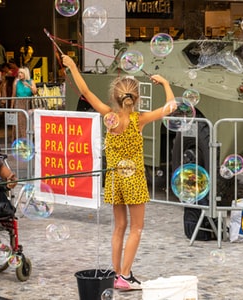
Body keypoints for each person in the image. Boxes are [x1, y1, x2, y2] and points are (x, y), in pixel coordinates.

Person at [62, 54, 175, 290]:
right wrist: (164, 83)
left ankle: (116, 275)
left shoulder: (109, 117)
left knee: (119, 227)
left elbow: (86, 92)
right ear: (136, 98)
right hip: (133, 180)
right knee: (137, 227)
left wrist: (73, 65)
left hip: (113, 179)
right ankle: (125, 276)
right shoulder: (140, 120)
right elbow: (171, 106)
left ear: (115, 96)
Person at [11, 67, 37, 139]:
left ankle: (30, 138)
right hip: (19, 103)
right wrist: (11, 107)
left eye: (21, 73)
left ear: (25, 74)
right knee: (21, 122)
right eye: (19, 72)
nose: (19, 74)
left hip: (29, 103)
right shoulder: (16, 81)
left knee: (30, 121)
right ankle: (22, 138)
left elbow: (35, 92)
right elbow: (13, 95)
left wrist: (29, 86)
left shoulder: (31, 81)